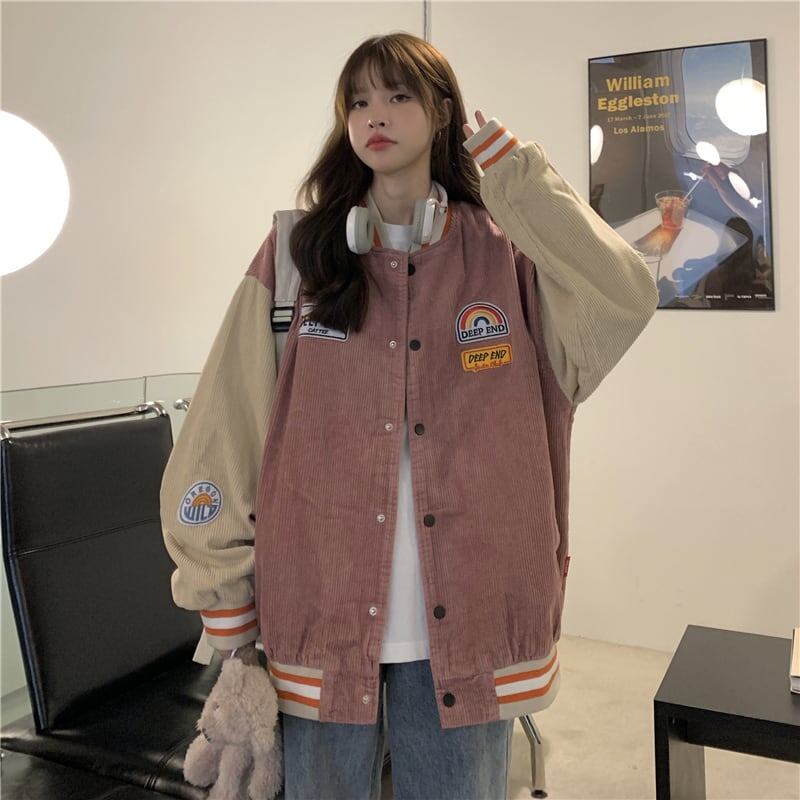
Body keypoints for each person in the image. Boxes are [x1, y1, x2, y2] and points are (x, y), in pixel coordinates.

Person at [159, 32, 659, 800]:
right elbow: (222, 432)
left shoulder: (506, 255)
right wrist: (226, 611)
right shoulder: (298, 256)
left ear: (443, 112)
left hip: (472, 626)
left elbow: (624, 296)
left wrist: (523, 189)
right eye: (358, 101)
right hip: (318, 623)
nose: (375, 115)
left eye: (398, 95)